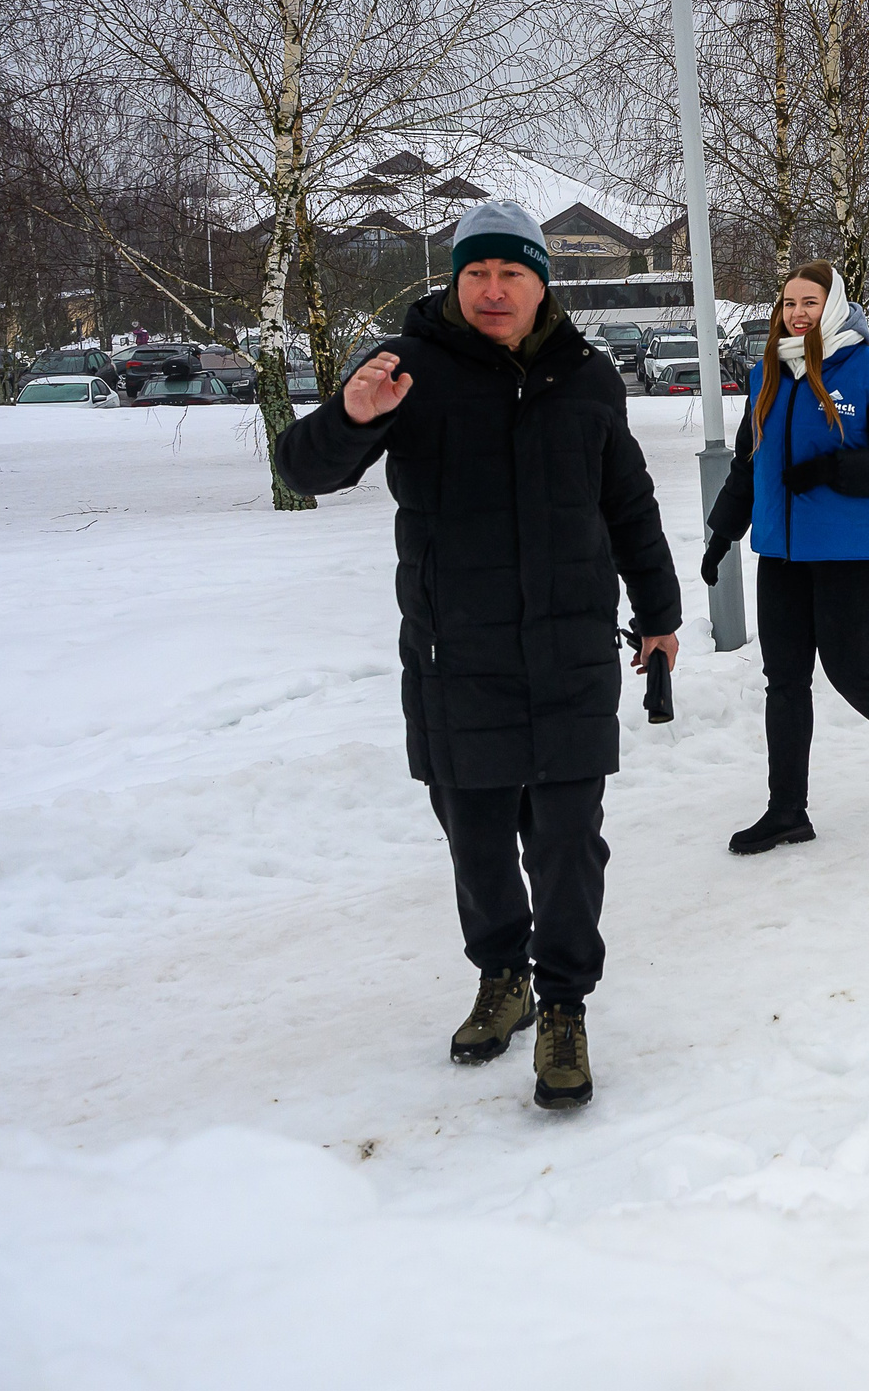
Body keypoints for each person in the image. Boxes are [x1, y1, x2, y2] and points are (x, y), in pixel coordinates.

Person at [273, 198, 680, 1113]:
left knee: (570, 843)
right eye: (477, 274)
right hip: (459, 659)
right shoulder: (407, 367)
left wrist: (658, 609)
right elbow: (304, 468)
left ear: (544, 282)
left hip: (573, 650)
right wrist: (350, 411)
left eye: (513, 273)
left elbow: (628, 501)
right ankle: (505, 975)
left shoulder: (587, 376)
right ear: (455, 281)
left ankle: (565, 1002)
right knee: (480, 840)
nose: (494, 291)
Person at [699, 261, 869, 857]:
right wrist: (723, 533)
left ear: (834, 306)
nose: (797, 314)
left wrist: (834, 468)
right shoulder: (769, 376)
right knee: (784, 680)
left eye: (809, 302)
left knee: (849, 670)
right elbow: (748, 464)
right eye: (788, 303)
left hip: (853, 552)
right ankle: (787, 810)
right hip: (783, 554)